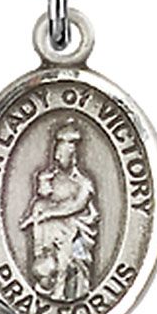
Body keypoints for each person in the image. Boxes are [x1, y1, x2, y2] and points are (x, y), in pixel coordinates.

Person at [20, 118, 99, 301]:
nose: (57, 158)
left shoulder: (84, 184)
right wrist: (43, 186)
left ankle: (63, 290)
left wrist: (48, 213)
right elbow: (42, 200)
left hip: (74, 235)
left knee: (67, 249)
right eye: (57, 152)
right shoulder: (50, 178)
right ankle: (47, 277)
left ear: (73, 156)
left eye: (63, 154)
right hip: (51, 237)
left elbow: (76, 206)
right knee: (41, 210)